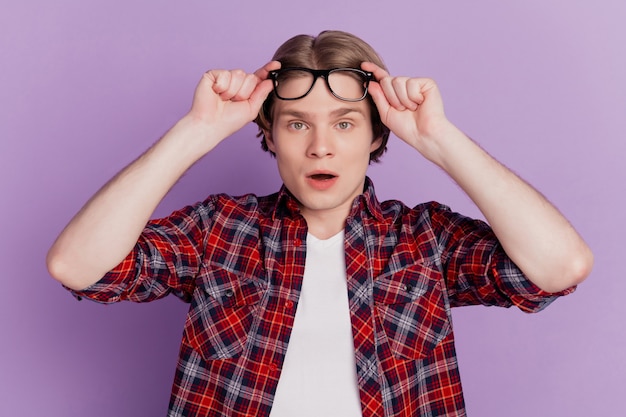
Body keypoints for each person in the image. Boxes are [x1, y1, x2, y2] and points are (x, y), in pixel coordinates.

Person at [47, 30, 593, 417]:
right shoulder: (220, 231)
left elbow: (557, 267)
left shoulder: (423, 241)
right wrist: (195, 131)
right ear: (270, 133)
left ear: (377, 136)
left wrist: (438, 140)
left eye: (346, 122)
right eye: (297, 123)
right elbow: (78, 265)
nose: (321, 146)